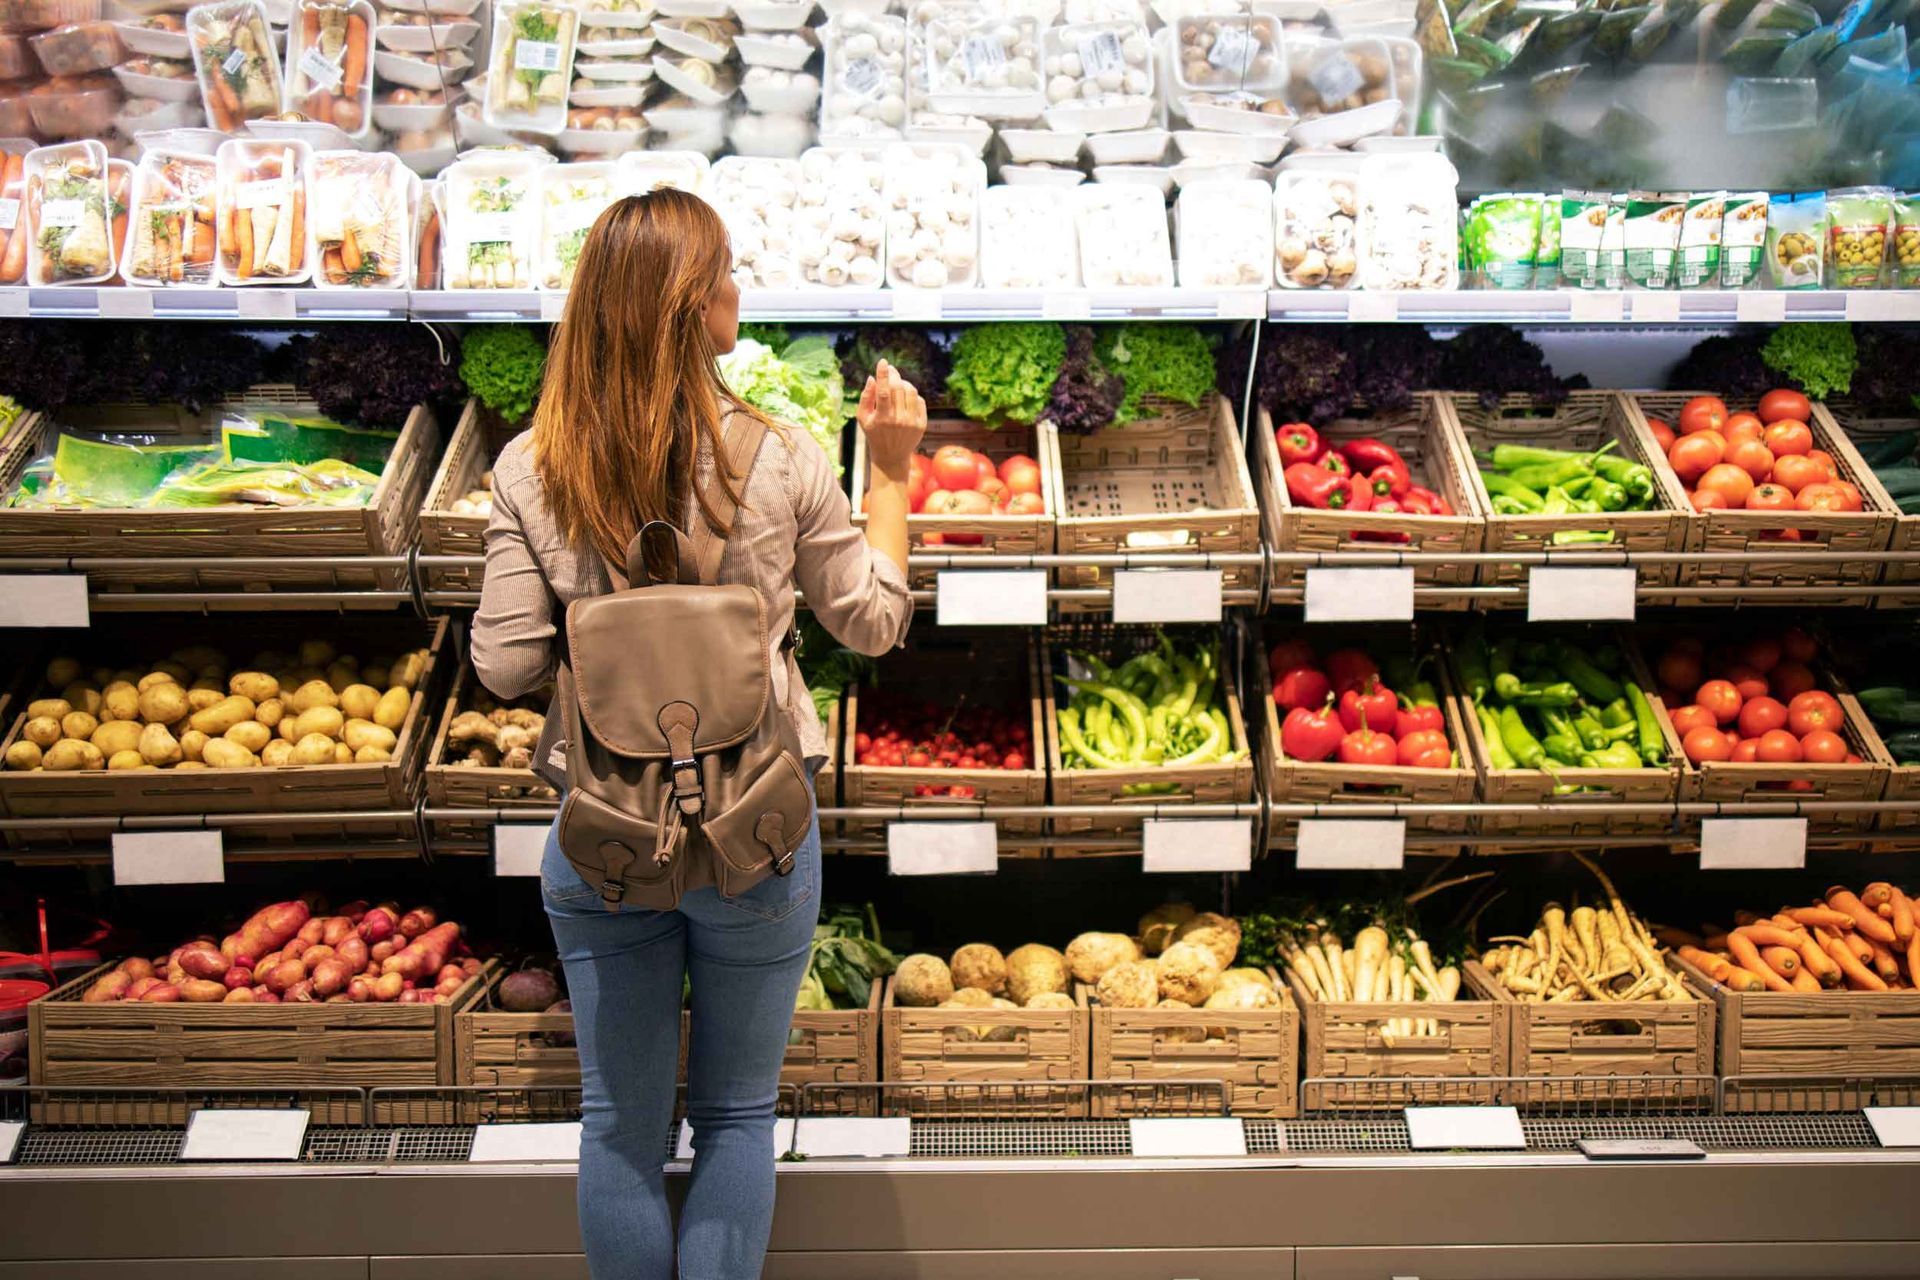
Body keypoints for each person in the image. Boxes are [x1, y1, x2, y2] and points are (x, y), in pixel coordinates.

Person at [470, 187, 924, 1280]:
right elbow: (870, 622)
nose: (737, 289)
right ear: (687, 309)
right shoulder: (781, 456)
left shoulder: (533, 470)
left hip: (605, 834)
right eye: (721, 273)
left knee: (618, 1126)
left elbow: (506, 664)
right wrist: (896, 470)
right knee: (732, 1114)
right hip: (756, 832)